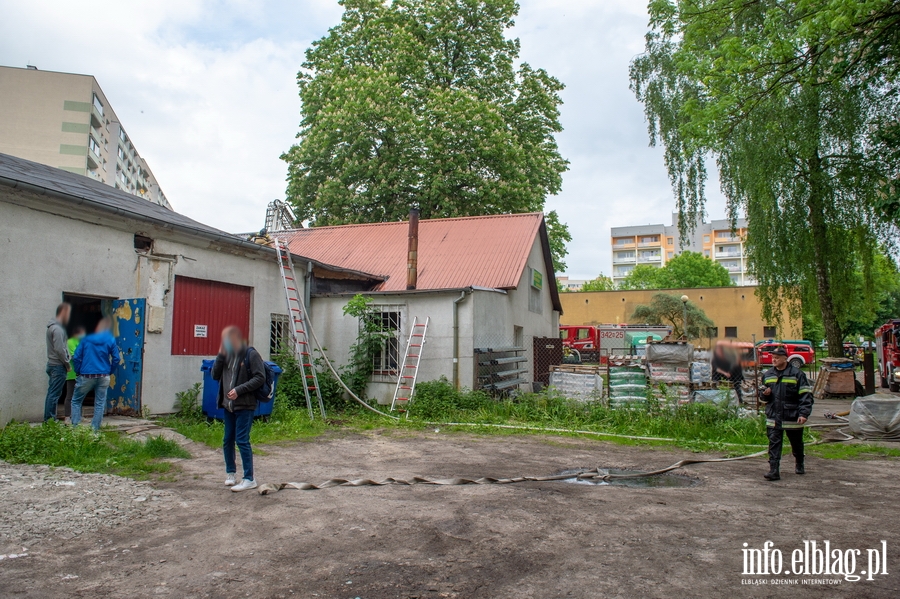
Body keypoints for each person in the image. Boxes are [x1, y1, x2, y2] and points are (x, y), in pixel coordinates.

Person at [212, 326, 265, 492]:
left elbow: (260, 377)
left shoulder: (251, 354)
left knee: (242, 440)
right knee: (228, 439)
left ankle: (249, 478)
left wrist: (239, 390)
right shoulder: (226, 355)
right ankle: (230, 473)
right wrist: (220, 355)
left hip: (245, 405)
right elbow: (214, 375)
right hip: (229, 406)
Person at [758, 346, 814, 481]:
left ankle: (799, 462)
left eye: (777, 358)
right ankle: (774, 470)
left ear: (785, 358)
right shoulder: (768, 375)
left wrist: (803, 414)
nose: (774, 360)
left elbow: (805, 396)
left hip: (792, 416)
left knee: (796, 443)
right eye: (773, 357)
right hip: (773, 417)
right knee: (774, 443)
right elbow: (762, 397)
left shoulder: (797, 374)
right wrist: (765, 395)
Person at [71, 318, 120, 431]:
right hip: (104, 376)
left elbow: (77, 357)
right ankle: (94, 430)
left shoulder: (86, 340)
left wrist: (78, 371)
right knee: (100, 403)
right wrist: (109, 371)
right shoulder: (110, 340)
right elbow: (116, 359)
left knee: (76, 401)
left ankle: (75, 429)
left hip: (86, 375)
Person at [44, 303, 71, 422]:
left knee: (52, 393)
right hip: (58, 366)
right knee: (54, 395)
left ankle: (49, 420)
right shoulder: (58, 329)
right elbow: (60, 349)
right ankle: (50, 421)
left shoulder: (52, 327)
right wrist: (67, 364)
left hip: (52, 364)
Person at [63, 326, 86, 423]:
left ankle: (79, 416)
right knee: (70, 395)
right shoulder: (70, 342)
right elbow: (74, 356)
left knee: (80, 395)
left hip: (81, 373)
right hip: (72, 373)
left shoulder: (81, 342)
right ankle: (67, 416)